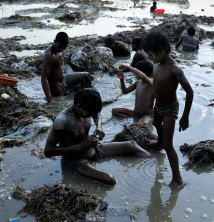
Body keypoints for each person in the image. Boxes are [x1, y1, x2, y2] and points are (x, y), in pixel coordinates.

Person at [44, 88, 153, 185]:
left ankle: (154, 165)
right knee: (110, 179)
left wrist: (99, 127)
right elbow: (48, 151)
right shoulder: (62, 121)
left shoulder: (86, 106)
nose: (92, 115)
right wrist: (81, 146)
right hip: (74, 160)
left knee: (131, 145)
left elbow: (97, 114)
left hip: (92, 149)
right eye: (89, 114)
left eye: (93, 113)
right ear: (78, 107)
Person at [142, 31, 194, 189]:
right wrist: (152, 100)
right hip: (158, 104)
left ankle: (178, 179)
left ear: (161, 51)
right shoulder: (156, 64)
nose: (150, 58)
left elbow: (189, 92)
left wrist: (185, 117)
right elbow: (155, 83)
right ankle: (158, 142)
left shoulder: (175, 69)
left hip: (170, 108)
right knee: (157, 124)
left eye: (151, 55)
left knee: (168, 144)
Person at [41, 32, 93, 105]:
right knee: (62, 102)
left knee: (85, 75)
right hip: (55, 85)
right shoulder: (49, 55)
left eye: (64, 48)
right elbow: (44, 78)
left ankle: (89, 96)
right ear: (54, 41)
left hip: (63, 79)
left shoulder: (60, 50)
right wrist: (49, 99)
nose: (62, 49)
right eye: (59, 47)